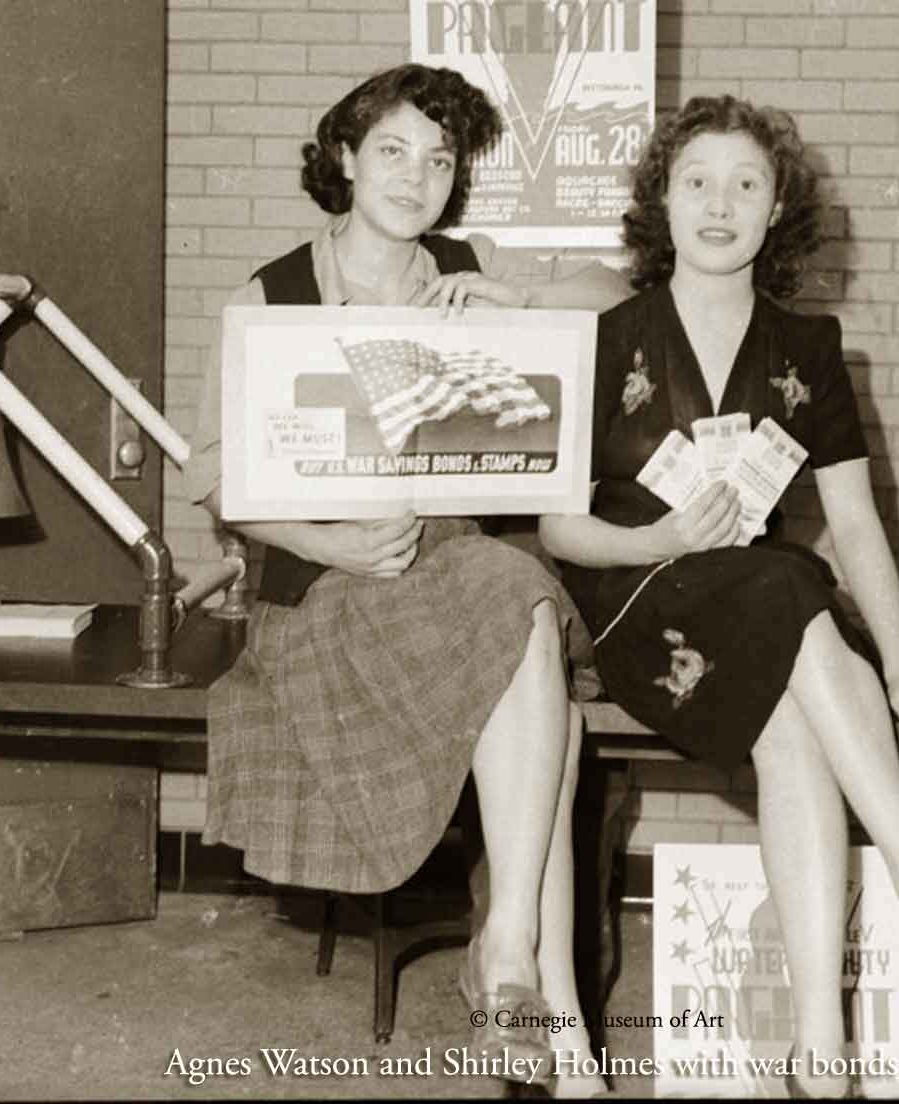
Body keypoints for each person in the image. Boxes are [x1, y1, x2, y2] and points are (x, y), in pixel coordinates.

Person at [539, 95, 899, 1099]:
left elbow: (857, 526)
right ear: (661, 203)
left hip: (761, 614)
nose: (720, 204)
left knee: (795, 708)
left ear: (777, 213)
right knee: (788, 579)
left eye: (747, 184)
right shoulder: (602, 339)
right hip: (638, 597)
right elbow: (558, 528)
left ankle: (822, 1057)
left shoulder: (808, 350)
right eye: (697, 182)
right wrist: (662, 535)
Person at [185, 64, 629, 1098]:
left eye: (440, 160)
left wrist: (513, 298)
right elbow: (215, 479)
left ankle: (510, 955)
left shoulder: (465, 268)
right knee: (537, 677)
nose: (417, 176)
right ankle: (540, 1007)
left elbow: (618, 297)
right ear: (343, 158)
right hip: (326, 588)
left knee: (512, 592)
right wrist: (332, 543)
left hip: (455, 574)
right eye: (393, 151)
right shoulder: (273, 292)